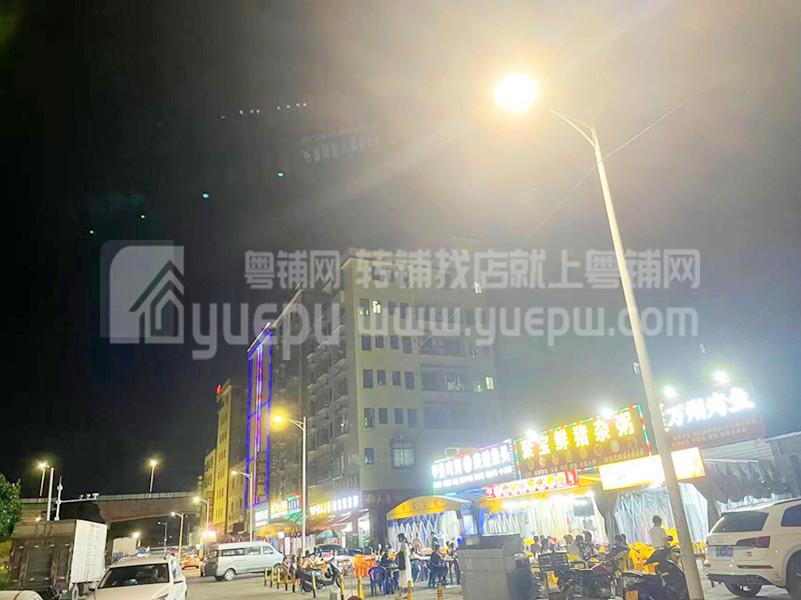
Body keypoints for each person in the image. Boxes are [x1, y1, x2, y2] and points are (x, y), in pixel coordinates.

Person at [396, 533, 412, 598]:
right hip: (405, 562)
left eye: (399, 538)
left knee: (403, 578)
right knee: (405, 578)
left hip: (403, 563)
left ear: (402, 538)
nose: (398, 539)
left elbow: (401, 554)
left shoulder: (403, 545)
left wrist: (397, 555)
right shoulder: (405, 544)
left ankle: (402, 594)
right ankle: (405, 594)